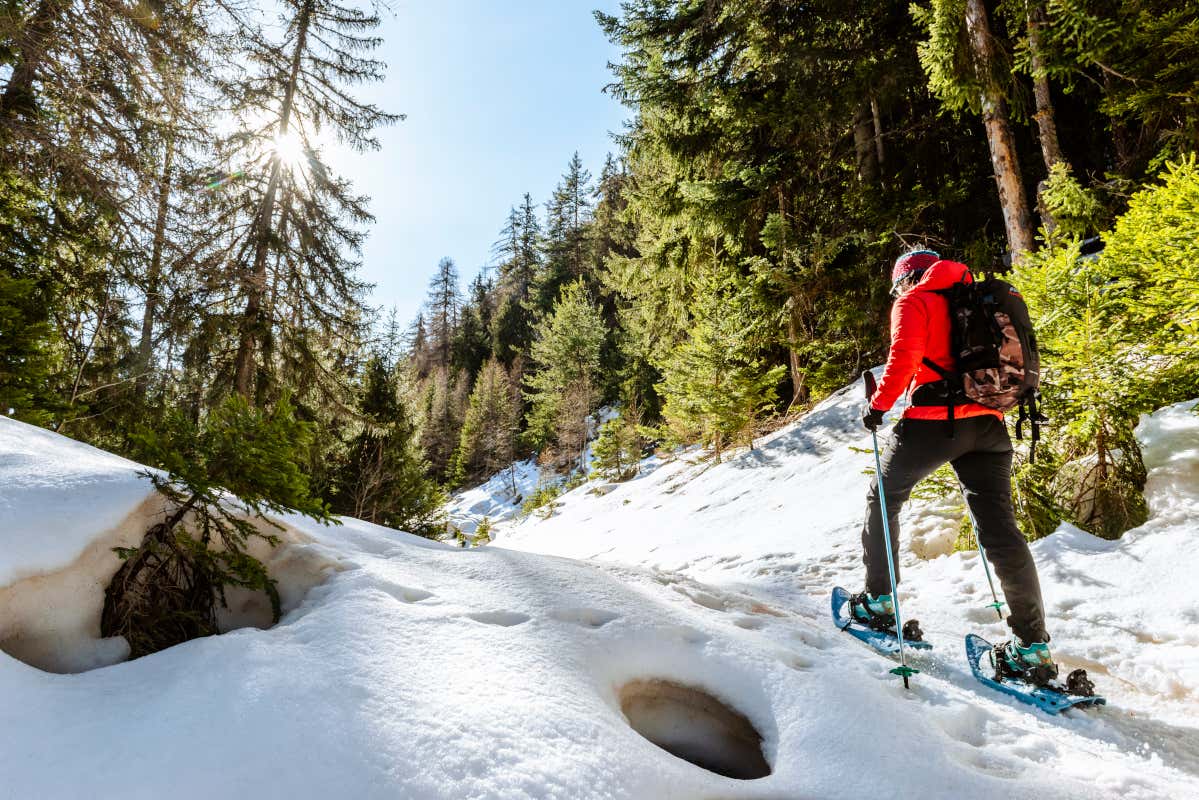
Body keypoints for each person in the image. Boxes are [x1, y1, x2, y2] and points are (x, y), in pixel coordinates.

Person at [852, 248, 1058, 685]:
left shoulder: (914, 300)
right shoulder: (980, 295)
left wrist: (878, 405)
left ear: (907, 278)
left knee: (883, 499)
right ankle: (1032, 647)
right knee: (1001, 530)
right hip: (988, 424)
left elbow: (904, 359)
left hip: (933, 424)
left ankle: (878, 602)